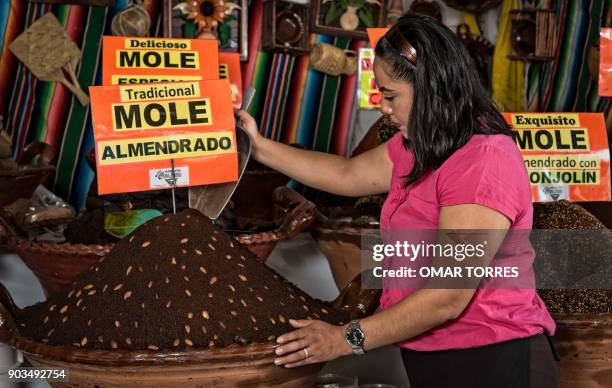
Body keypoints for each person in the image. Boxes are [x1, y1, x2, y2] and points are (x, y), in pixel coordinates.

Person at [236, 12, 559, 388]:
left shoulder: (483, 160)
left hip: (496, 359)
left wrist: (343, 339)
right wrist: (257, 146)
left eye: (390, 95)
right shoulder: (417, 147)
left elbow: (445, 297)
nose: (383, 107)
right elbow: (346, 174)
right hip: (435, 359)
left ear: (432, 88)